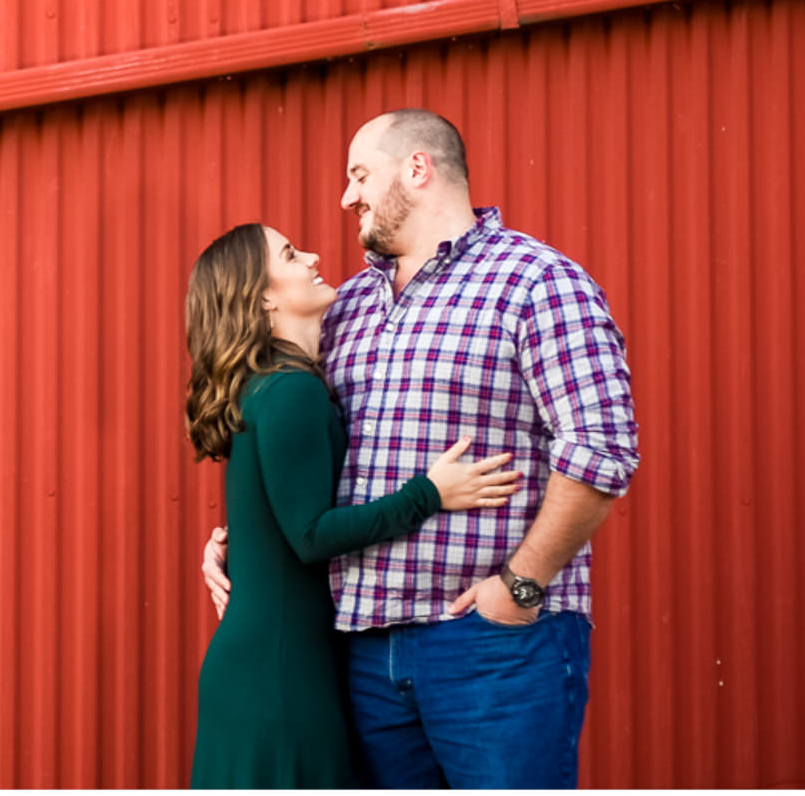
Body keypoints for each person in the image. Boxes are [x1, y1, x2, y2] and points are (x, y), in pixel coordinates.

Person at [200, 109, 642, 787]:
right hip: (362, 652)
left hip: (491, 647)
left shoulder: (536, 282)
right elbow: (296, 465)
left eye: (359, 175)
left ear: (417, 168)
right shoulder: (343, 308)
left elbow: (601, 450)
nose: (347, 198)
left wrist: (519, 587)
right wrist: (242, 546)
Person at [182, 223, 521, 786]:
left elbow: (273, 514)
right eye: (291, 255)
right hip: (278, 673)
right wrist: (430, 493)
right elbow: (310, 535)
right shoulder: (291, 389)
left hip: (274, 662)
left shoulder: (273, 384)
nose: (313, 256)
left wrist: (232, 545)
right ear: (262, 297)